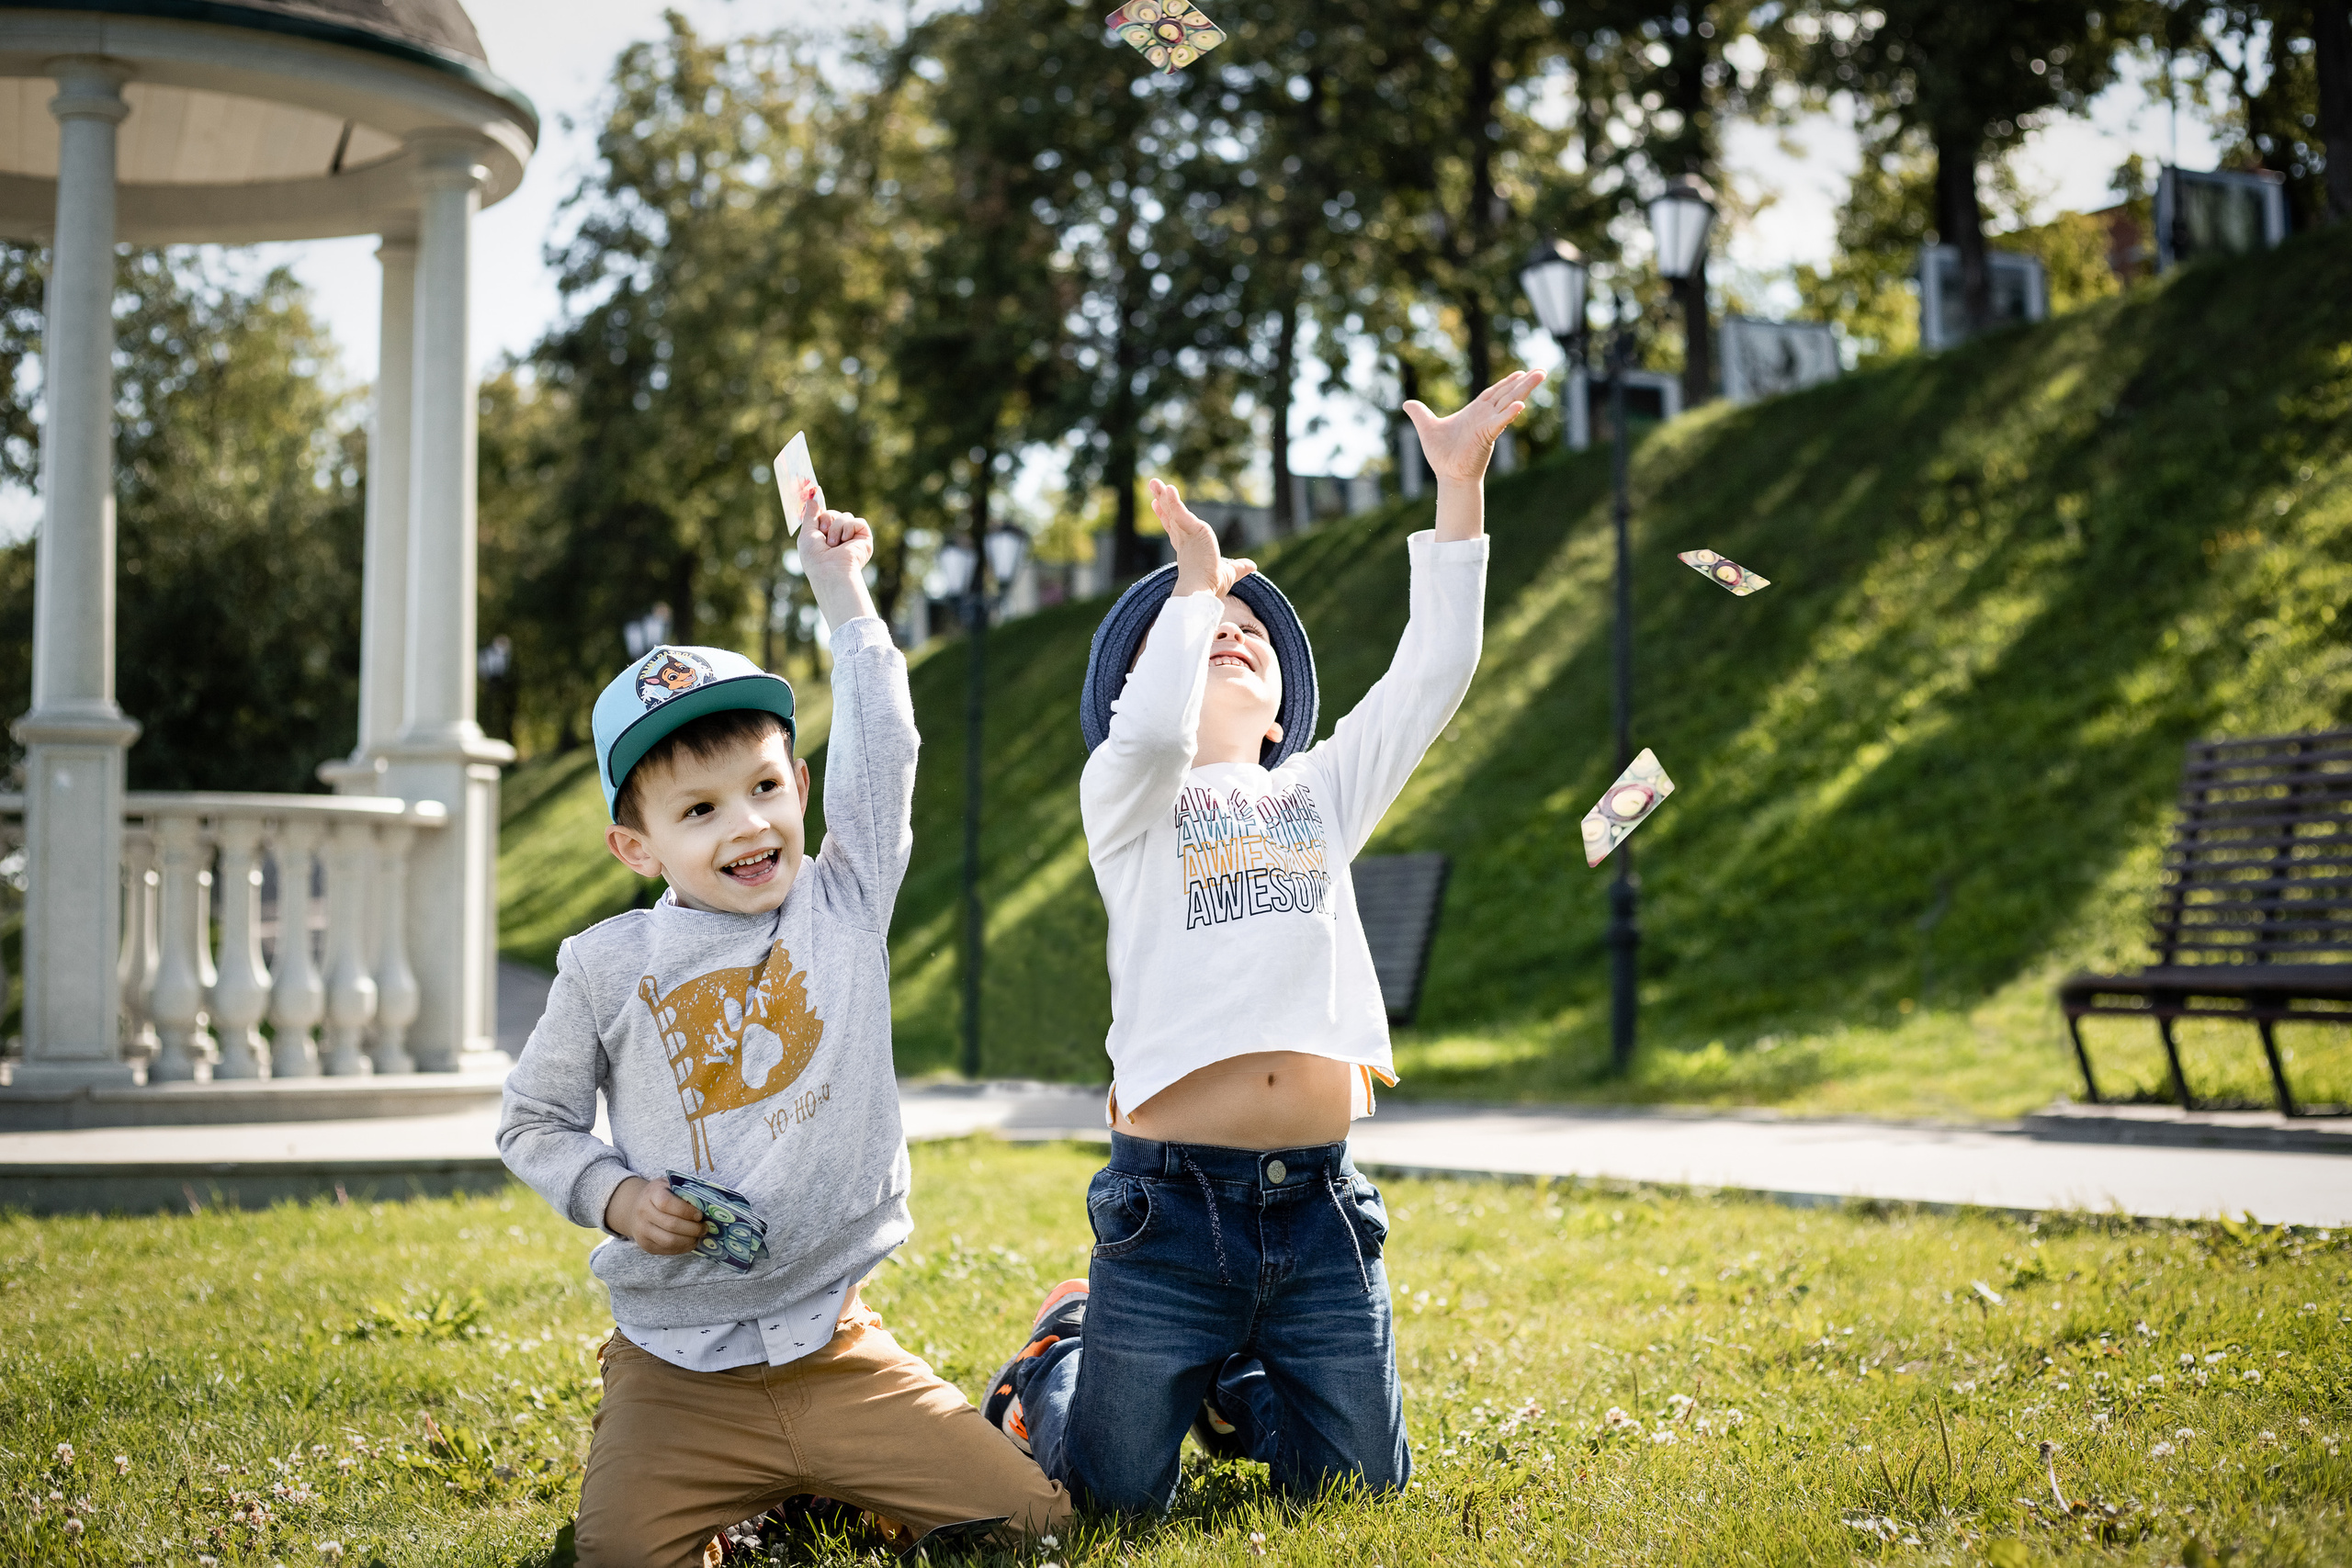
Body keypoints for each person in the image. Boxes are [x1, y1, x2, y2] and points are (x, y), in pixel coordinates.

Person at [981, 371, 1545, 1508]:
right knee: (1112, 1499)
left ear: (1285, 712)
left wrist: (1457, 494)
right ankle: (1060, 1358)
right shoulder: (1130, 802)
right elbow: (1145, 744)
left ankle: (1238, 1381)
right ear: (1143, 694)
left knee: (1354, 1490)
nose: (1227, 637)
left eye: (1247, 636)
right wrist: (1188, 595)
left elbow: (1432, 675)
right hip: (1169, 1215)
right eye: (1198, 639)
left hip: (1322, 1211)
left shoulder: (1321, 794)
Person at [496, 505, 1069, 1565]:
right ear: (637, 844)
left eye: (764, 788)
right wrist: (614, 1195)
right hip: (676, 1370)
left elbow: (887, 748)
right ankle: (769, 1487)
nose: (746, 825)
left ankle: (1036, 1376)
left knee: (1034, 1531)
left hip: (836, 1348)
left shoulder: (843, 903)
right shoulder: (605, 966)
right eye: (699, 810)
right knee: (616, 1558)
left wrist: (843, 593)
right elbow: (532, 1121)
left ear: (801, 788)